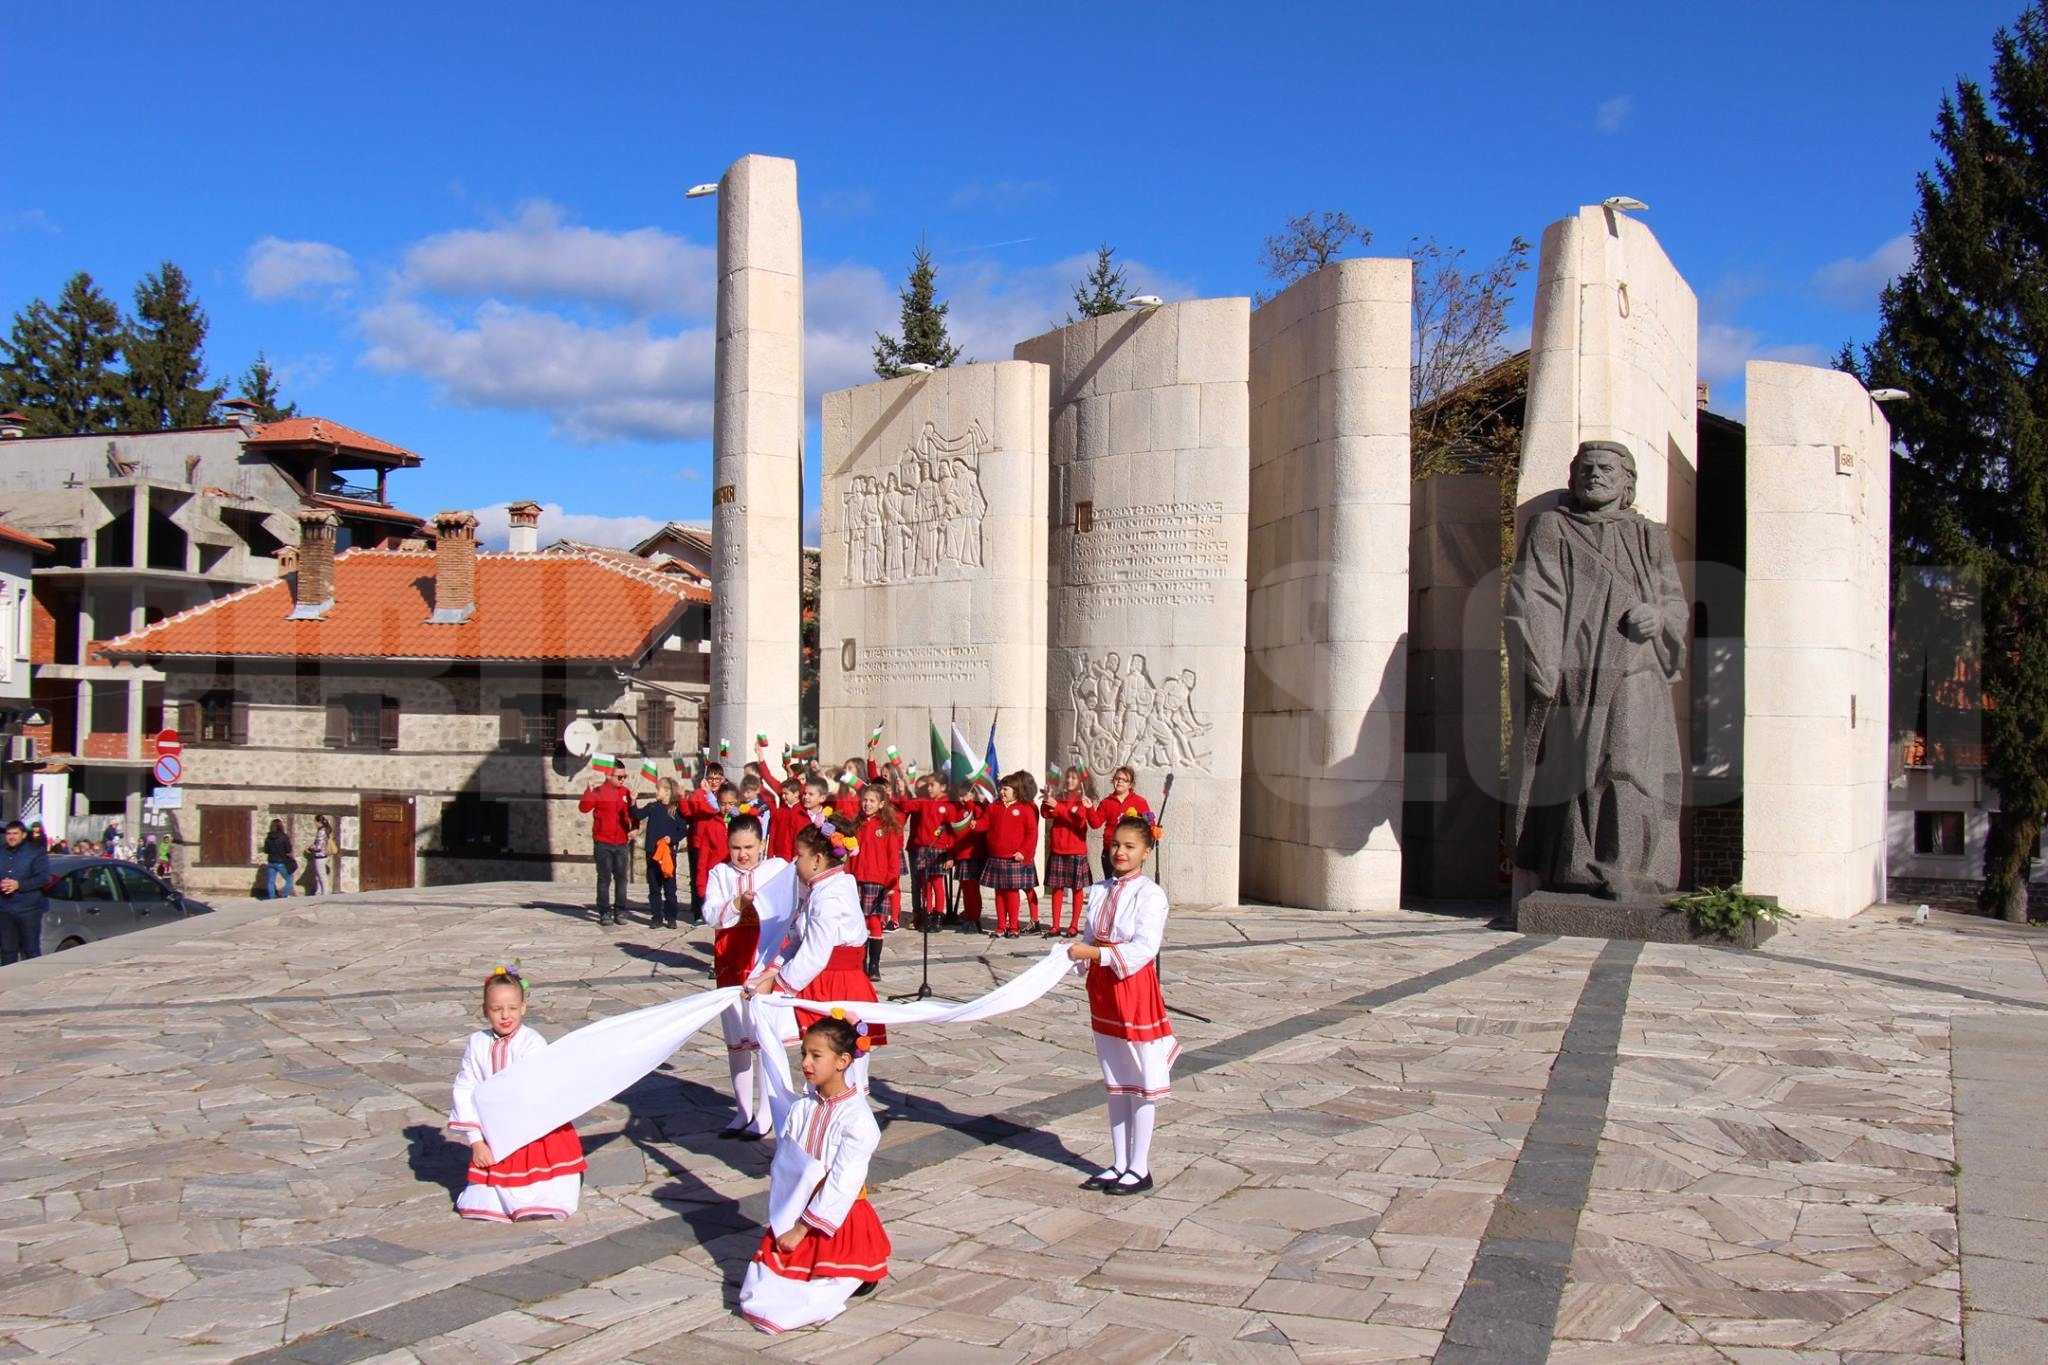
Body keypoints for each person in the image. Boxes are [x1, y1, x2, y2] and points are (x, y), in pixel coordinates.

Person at [1506, 439, 1690, 899]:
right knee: (1579, 766)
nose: (1595, 476)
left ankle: (1626, 867)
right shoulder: (1551, 527)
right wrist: (1543, 660)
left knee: (1628, 763)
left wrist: (1659, 617)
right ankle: (1578, 866)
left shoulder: (1650, 535)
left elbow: (1673, 599)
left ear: (1627, 481)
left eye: (1607, 469)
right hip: (1579, 667)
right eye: (1586, 468)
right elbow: (1535, 593)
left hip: (1636, 664)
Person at [736, 1017, 889, 1333]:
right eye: (804, 1054)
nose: (805, 1062)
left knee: (800, 1298)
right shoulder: (802, 1108)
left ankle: (852, 1270)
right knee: (761, 1287)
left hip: (836, 1217)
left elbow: (843, 1183)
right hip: (796, 1207)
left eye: (816, 1056)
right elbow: (788, 1164)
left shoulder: (858, 1121)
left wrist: (802, 1229)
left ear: (843, 1061)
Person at [1068, 816, 1177, 1196]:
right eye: (1116, 845)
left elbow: (1146, 948)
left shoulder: (1150, 895)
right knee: (1116, 1080)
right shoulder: (1098, 890)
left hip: (1132, 988)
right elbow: (1088, 935)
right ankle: (1117, 1162)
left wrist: (1095, 954)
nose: (1120, 852)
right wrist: (1075, 957)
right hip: (1103, 988)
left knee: (1142, 1079)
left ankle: (1139, 1166)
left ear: (1146, 852)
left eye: (1130, 846)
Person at [747, 822, 886, 1093]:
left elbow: (815, 953)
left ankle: (842, 1123)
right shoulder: (819, 890)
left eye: (799, 855)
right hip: (821, 981)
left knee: (838, 1064)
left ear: (818, 860)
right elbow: (799, 942)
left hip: (836, 986)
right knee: (819, 1062)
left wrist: (779, 987)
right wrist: (770, 972)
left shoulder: (831, 895)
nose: (795, 862)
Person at [446, 964, 586, 1221]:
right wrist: (475, 1139)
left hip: (530, 1126)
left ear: (523, 1008)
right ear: (485, 1010)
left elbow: (534, 1084)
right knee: (488, 1185)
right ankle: (497, 1199)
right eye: (497, 1009)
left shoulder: (531, 1042)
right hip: (493, 1127)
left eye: (512, 1008)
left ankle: (540, 1199)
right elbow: (466, 1086)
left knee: (540, 1174)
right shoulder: (477, 1043)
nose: (505, 1016)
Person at [705, 814, 787, 1139]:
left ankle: (766, 1113)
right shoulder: (720, 873)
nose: (743, 855)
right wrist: (736, 903)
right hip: (731, 957)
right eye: (736, 847)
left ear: (762, 844)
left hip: (763, 957)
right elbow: (710, 912)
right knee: (737, 1039)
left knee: (764, 1036)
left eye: (749, 847)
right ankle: (742, 1111)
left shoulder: (776, 869)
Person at [975, 772, 1040, 940]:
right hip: (996, 857)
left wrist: (1024, 852)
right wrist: (975, 824)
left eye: (1006, 789)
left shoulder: (1025, 808)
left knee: (1011, 893)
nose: (1002, 792)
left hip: (1014, 858)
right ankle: (1001, 926)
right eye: (1001, 789)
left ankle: (1013, 927)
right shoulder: (994, 807)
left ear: (1016, 791)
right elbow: (985, 823)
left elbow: (1031, 833)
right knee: (999, 893)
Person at [848, 784, 903, 979]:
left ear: (881, 804)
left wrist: (891, 883)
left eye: (872, 801)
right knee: (859, 921)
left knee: (874, 921)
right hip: (857, 878)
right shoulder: (856, 825)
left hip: (877, 880)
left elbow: (893, 858)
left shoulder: (886, 827)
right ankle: (859, 962)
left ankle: (874, 965)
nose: (867, 804)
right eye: (865, 800)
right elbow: (849, 854)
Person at [897, 773, 963, 930]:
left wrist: (951, 855)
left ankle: (938, 916)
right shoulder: (924, 801)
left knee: (937, 883)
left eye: (933, 785)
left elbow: (953, 832)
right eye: (928, 785)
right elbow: (906, 806)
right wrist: (901, 792)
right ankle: (927, 913)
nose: (929, 788)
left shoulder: (948, 805)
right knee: (925, 884)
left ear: (943, 787)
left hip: (939, 849)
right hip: (922, 848)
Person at [1040, 764, 1098, 938]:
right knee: (1057, 888)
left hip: (1076, 849)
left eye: (1074, 778)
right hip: (1058, 848)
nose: (1070, 780)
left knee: (1076, 888)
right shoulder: (1060, 796)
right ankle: (1055, 925)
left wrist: (1057, 807)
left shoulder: (1083, 799)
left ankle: (1073, 925)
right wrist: (1047, 799)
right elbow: (1045, 813)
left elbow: (1077, 820)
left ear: (1081, 780)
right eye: (1068, 777)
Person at [579, 766, 637, 926]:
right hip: (603, 842)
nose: (623, 779)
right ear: (608, 775)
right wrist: (589, 791)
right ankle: (604, 911)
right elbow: (584, 808)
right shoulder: (598, 791)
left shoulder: (625, 792)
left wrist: (635, 826)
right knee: (604, 878)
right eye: (619, 777)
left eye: (624, 776)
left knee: (621, 878)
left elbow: (632, 813)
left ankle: (620, 910)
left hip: (621, 842)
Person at [635, 778, 687, 930]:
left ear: (667, 792)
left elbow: (683, 830)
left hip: (668, 854)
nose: (655, 792)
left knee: (670, 889)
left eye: (658, 789)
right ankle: (656, 917)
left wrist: (672, 839)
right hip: (652, 853)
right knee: (654, 888)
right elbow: (637, 815)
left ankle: (671, 917)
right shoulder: (653, 807)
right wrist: (632, 802)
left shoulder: (676, 811)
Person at [682, 765, 730, 926]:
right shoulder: (698, 793)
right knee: (698, 877)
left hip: (719, 843)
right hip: (699, 841)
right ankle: (699, 911)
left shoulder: (726, 795)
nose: (714, 782)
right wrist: (683, 797)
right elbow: (689, 812)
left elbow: (716, 810)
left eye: (718, 778)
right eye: (711, 778)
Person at [0, 820, 51, 965]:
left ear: (23, 835)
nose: (11, 837)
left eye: (15, 834)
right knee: (7, 951)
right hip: (5, 909)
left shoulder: (35, 852)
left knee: (30, 950)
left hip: (28, 909)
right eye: (9, 834)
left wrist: (19, 885)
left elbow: (44, 878)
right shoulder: (1, 852)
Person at [1089, 767, 1150, 882]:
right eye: (1117, 778)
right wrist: (1089, 808)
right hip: (1110, 851)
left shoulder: (1139, 802)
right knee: (1111, 884)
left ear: (1130, 784)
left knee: (1129, 883)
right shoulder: (1106, 802)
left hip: (1130, 852)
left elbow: (1148, 825)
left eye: (1124, 780)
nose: (1120, 781)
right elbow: (1095, 823)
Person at [947, 783, 988, 931]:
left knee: (973, 889)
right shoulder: (957, 810)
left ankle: (975, 918)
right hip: (961, 854)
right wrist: (951, 855)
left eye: (965, 794)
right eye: (960, 794)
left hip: (973, 854)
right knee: (965, 888)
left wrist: (971, 804)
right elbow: (952, 832)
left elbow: (981, 821)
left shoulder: (977, 807)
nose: (962, 798)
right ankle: (969, 916)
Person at [263, 819, 294, 899]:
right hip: (281, 862)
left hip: (271, 861)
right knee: (289, 879)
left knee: (271, 881)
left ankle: (271, 897)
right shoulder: (284, 837)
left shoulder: (268, 837)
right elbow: (289, 849)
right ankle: (285, 895)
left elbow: (266, 850)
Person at [306, 815, 332, 896]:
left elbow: (319, 846)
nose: (314, 824)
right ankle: (319, 892)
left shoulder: (321, 831)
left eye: (315, 822)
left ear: (318, 822)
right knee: (318, 876)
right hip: (321, 855)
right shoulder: (323, 830)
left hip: (320, 855)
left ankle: (325, 893)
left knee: (321, 876)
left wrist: (311, 849)